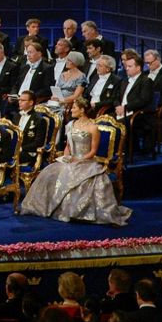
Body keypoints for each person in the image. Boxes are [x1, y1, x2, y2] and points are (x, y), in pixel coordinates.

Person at [20, 95, 131, 225]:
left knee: (75, 177)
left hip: (86, 162)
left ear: (82, 110)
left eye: (73, 107)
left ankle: (74, 212)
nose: (71, 110)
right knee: (49, 172)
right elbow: (68, 146)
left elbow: (93, 151)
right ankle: (48, 208)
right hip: (71, 159)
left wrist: (79, 159)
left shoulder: (93, 128)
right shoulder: (71, 125)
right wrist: (66, 157)